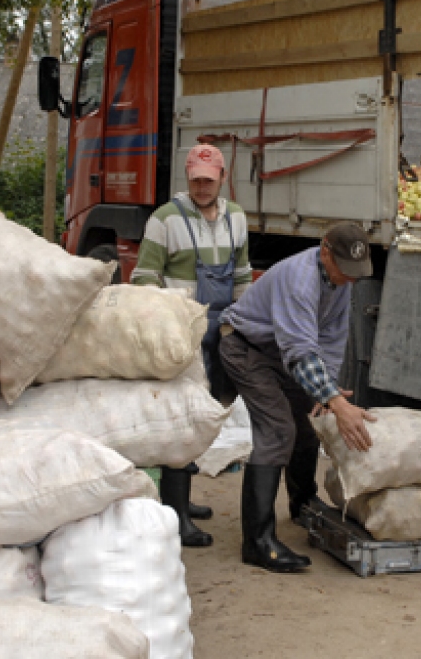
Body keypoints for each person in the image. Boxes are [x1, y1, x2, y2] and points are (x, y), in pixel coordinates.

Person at [218, 221, 376, 573]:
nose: (349, 279)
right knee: (278, 431)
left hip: (281, 353)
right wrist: (337, 402)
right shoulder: (300, 278)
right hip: (246, 347)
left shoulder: (339, 280)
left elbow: (333, 339)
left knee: (306, 429)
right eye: (344, 270)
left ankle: (303, 505)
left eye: (355, 274)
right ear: (324, 251)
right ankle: (257, 542)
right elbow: (300, 349)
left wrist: (327, 388)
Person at [131, 143, 253, 548]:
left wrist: (243, 322)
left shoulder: (236, 217)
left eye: (209, 180)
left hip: (221, 330)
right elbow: (144, 277)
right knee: (181, 417)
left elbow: (241, 275)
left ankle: (185, 499)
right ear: (188, 178)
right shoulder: (165, 219)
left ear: (221, 178)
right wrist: (166, 325)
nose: (202, 187)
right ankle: (177, 514)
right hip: (182, 331)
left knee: (210, 409)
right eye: (195, 180)